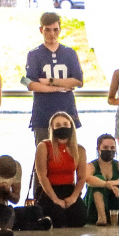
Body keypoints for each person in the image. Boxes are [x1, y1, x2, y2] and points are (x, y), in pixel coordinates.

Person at [25, 12, 84, 144]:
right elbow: (31, 84)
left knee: (69, 152)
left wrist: (50, 81)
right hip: (43, 112)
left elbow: (78, 81)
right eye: (47, 30)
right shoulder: (34, 54)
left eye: (55, 30)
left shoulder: (69, 53)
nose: (52, 34)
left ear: (60, 30)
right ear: (41, 30)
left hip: (66, 109)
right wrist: (61, 87)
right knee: (43, 152)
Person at [34, 111, 87, 228]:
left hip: (69, 189)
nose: (62, 127)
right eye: (57, 125)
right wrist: (55, 199)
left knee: (80, 219)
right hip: (49, 190)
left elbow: (82, 177)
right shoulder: (43, 147)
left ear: (71, 126)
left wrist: (73, 197)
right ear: (52, 128)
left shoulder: (80, 150)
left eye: (65, 124)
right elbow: (42, 176)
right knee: (59, 219)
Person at [0, 154, 51, 231]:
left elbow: (16, 199)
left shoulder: (17, 166)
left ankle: (15, 226)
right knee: (7, 211)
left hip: (4, 208)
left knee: (36, 210)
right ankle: (0, 229)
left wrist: (8, 193)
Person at [84, 134, 119, 226]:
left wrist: (118, 181)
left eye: (112, 148)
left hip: (117, 202)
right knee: (98, 180)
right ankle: (101, 217)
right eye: (105, 147)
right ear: (98, 149)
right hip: (97, 204)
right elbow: (88, 179)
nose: (109, 150)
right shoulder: (91, 166)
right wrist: (106, 184)